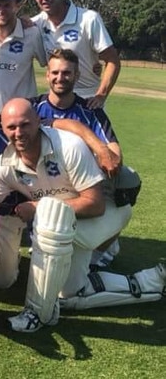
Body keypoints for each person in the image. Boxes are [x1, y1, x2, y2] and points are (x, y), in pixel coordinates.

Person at [0, 98, 164, 332]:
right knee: (69, 294)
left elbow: (95, 205)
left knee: (49, 217)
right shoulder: (3, 166)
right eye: (11, 127)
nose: (18, 133)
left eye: (25, 125)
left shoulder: (68, 145)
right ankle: (153, 281)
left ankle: (37, 313)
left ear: (38, 122)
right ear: (3, 128)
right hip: (68, 226)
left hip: (108, 212)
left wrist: (38, 207)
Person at [29, 48, 126, 266]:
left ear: (77, 76)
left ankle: (102, 247)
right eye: (55, 73)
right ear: (47, 75)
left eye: (66, 73)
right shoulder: (33, 107)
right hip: (39, 182)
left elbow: (115, 155)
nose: (59, 78)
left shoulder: (91, 110)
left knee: (128, 180)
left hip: (79, 184)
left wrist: (105, 155)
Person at [31, 0, 120, 109]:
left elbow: (112, 60)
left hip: (88, 100)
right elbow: (8, 24)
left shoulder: (89, 19)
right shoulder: (35, 24)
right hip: (56, 101)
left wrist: (101, 95)